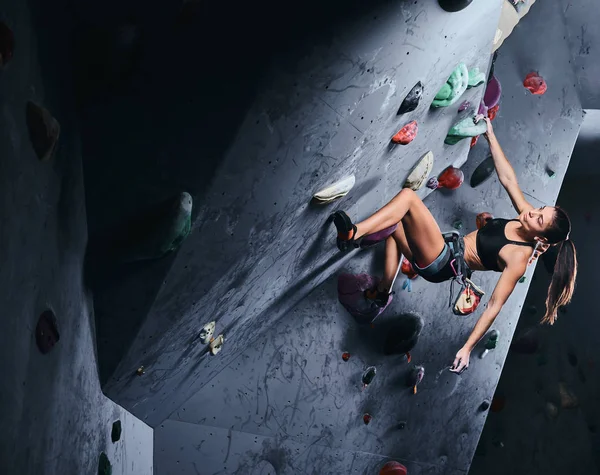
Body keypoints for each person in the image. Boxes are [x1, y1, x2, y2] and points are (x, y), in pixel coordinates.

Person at [331, 117, 577, 374]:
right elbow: (508, 179)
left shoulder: (518, 258)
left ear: (542, 239)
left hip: (441, 261)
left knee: (407, 199)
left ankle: (352, 233)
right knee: (393, 225)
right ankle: (381, 293)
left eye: (540, 219)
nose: (532, 213)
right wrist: (490, 134)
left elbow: (494, 306)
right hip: (441, 249)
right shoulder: (526, 218)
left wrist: (468, 348)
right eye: (540, 209)